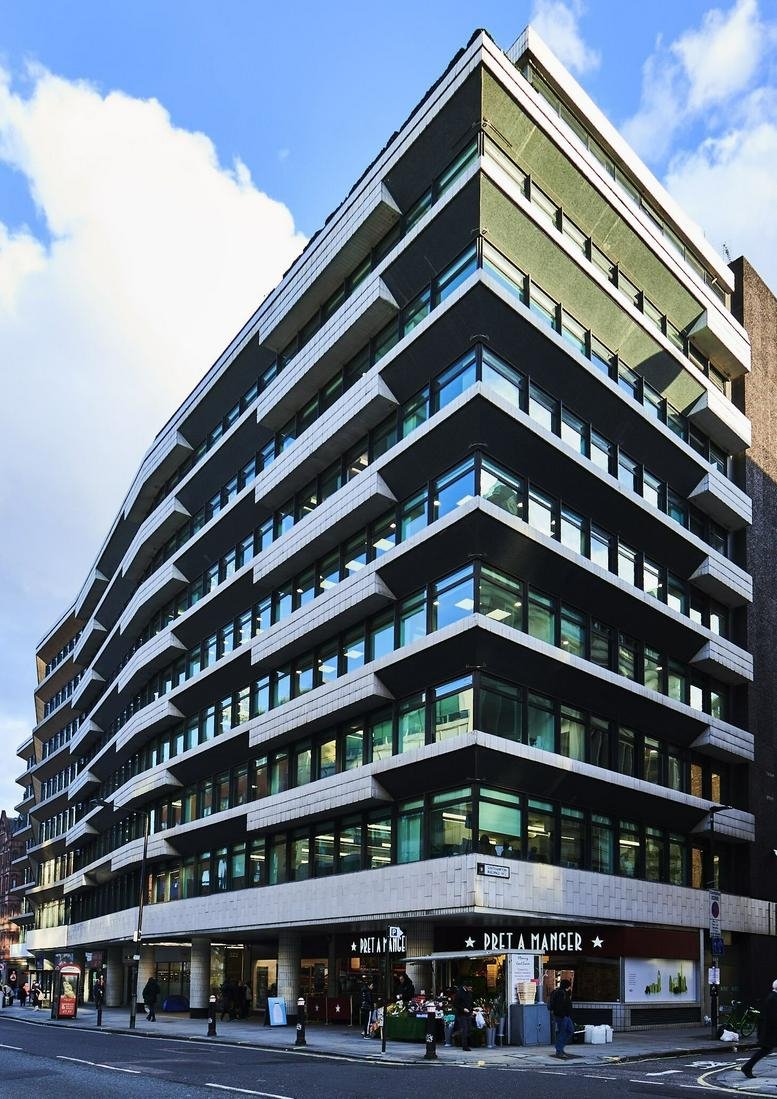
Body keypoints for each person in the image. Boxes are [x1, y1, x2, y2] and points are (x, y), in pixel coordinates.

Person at [741, 978, 777, 1078]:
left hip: (769, 1031)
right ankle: (747, 1067)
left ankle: (747, 1067)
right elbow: (773, 1017)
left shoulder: (772, 997)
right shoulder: (773, 999)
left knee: (765, 1050)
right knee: (765, 1050)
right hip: (770, 1031)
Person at [549, 978, 574, 1059]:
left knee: (570, 1030)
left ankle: (560, 1047)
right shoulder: (561, 993)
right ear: (567, 986)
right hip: (562, 1017)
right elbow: (559, 1006)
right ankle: (559, 1050)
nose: (570, 987)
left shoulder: (564, 992)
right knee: (562, 1032)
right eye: (569, 986)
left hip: (566, 1016)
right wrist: (563, 1015)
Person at [454, 981, 473, 1051]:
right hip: (461, 1014)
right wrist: (463, 1009)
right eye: (469, 988)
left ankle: (467, 1043)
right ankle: (465, 1046)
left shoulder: (469, 992)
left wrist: (472, 1010)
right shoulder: (459, 993)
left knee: (469, 1029)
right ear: (465, 986)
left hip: (468, 1013)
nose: (470, 989)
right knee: (465, 1029)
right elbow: (455, 1004)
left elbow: (470, 1002)